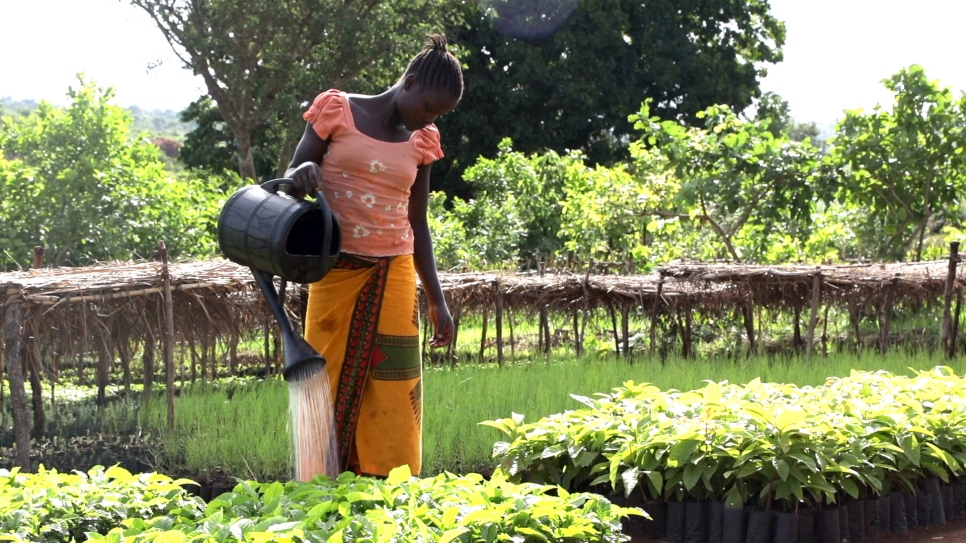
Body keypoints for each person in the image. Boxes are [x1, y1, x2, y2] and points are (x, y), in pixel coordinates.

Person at [285, 34, 462, 478]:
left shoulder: (423, 140)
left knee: (394, 384)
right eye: (428, 106)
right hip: (334, 268)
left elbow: (417, 222)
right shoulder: (338, 110)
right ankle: (319, 484)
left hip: (395, 271)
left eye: (438, 115)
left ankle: (388, 486)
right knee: (323, 376)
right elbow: (289, 181)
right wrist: (301, 174)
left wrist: (437, 299)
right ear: (411, 82)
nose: (429, 118)